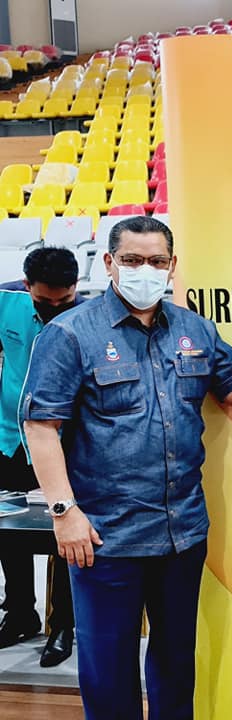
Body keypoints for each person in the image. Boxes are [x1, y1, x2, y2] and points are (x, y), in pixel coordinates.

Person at [22, 216, 232, 719]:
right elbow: (40, 425)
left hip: (182, 533)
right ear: (109, 263)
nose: (145, 270)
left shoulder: (195, 329)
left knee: (176, 664)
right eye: (132, 260)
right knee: (108, 670)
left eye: (157, 261)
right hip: (105, 538)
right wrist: (64, 513)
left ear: (172, 266)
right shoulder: (69, 333)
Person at [0, 247, 83, 667]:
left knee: (65, 533)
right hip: (9, 438)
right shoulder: (5, 301)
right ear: (26, 285)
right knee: (8, 530)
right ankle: (19, 613)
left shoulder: (90, 315)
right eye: (44, 301)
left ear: (76, 287)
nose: (54, 308)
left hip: (64, 444)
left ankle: (63, 623)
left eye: (63, 300)